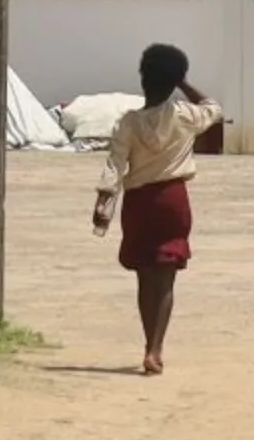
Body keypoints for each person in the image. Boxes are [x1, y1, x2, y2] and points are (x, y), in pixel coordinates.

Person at [91, 43, 221, 375]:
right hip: (173, 201)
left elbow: (115, 166)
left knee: (144, 276)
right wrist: (183, 81)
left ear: (143, 79)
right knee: (166, 279)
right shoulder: (184, 115)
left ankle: (148, 341)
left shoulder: (129, 123)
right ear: (173, 81)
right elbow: (213, 108)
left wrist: (103, 205)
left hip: (138, 204)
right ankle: (155, 349)